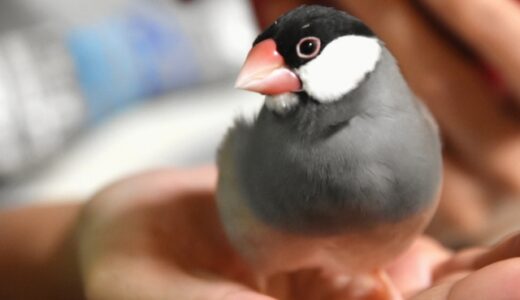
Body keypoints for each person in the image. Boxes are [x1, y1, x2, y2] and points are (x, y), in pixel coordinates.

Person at [1, 0, 520, 299]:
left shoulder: (417, 124)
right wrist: (78, 251)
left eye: (306, 52)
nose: (262, 71)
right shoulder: (263, 139)